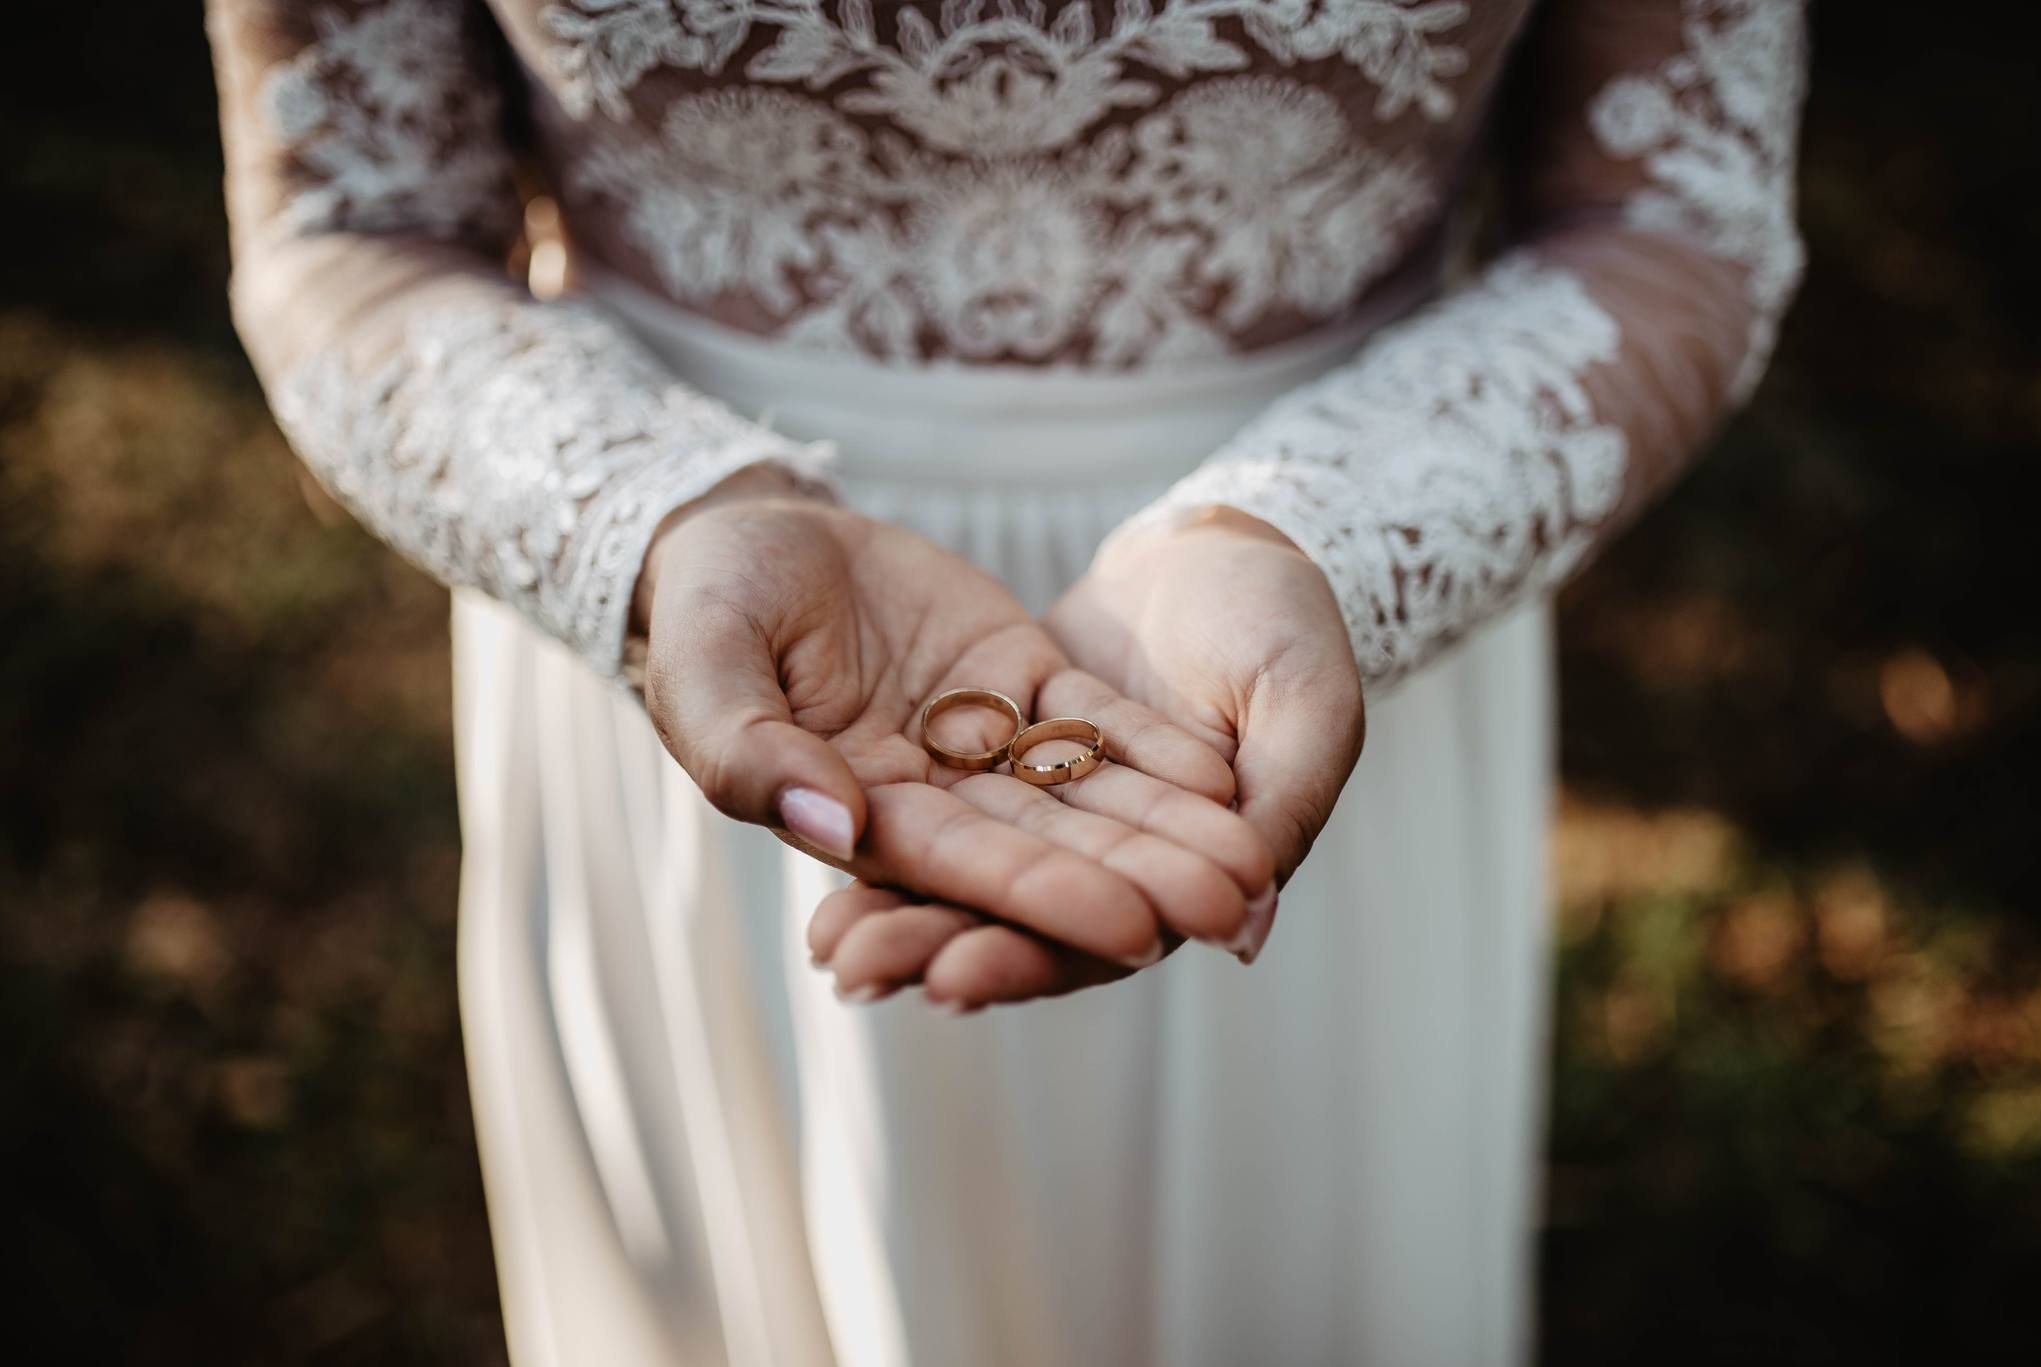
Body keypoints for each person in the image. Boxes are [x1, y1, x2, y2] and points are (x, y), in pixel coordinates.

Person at [205, 1, 1806, 1361]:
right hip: (719, 621)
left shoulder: (1317, 560)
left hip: (1306, 608)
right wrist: (658, 520)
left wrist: (1326, 533)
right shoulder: (683, 544)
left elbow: (1671, 216)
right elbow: (354, 228)